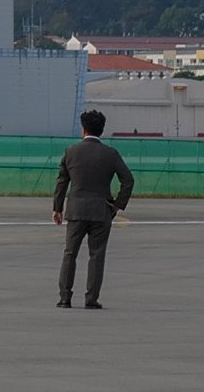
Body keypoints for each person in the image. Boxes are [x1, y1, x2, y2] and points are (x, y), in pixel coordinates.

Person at [53, 109, 134, 309]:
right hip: (101, 210)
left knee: (70, 253)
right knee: (96, 255)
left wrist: (57, 208)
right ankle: (91, 298)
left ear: (84, 129)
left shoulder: (71, 151)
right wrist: (117, 205)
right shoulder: (110, 153)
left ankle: (65, 297)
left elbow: (62, 181)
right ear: (101, 130)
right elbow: (128, 180)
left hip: (76, 210)